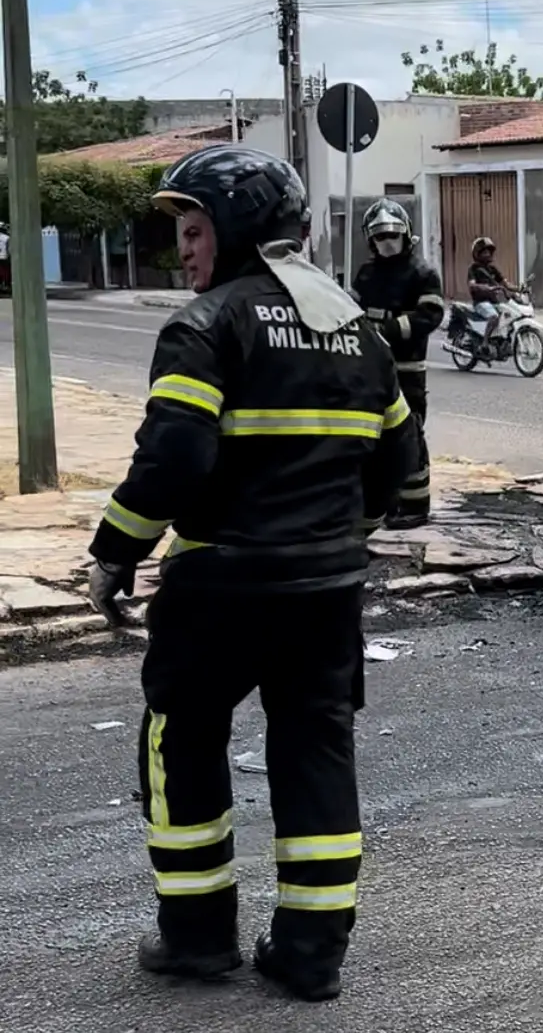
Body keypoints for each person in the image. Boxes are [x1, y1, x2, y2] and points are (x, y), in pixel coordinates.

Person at [86, 144, 419, 1003]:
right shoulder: (355, 330)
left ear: (234, 230)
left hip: (219, 590)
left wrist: (116, 550)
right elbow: (403, 470)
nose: (183, 250)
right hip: (326, 593)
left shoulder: (204, 326)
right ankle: (311, 954)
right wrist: (340, 538)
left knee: (183, 741)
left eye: (194, 230)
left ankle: (197, 940)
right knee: (315, 749)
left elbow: (174, 458)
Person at [351, 198, 443, 528]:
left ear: (405, 234)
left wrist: (387, 329)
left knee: (410, 435)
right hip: (371, 368)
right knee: (376, 438)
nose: (387, 241)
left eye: (392, 235)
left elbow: (430, 314)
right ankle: (386, 504)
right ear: (370, 240)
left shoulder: (422, 273)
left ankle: (415, 507)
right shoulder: (366, 274)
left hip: (407, 369)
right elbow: (351, 310)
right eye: (380, 236)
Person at [467, 236, 518, 348]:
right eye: (485, 252)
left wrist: (520, 289)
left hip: (494, 302)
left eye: (489, 252)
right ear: (477, 254)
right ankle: (484, 343)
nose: (488, 254)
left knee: (510, 315)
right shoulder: (473, 269)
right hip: (481, 302)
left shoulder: (493, 269)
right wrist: (485, 287)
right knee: (494, 316)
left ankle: (501, 341)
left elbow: (506, 284)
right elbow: (472, 285)